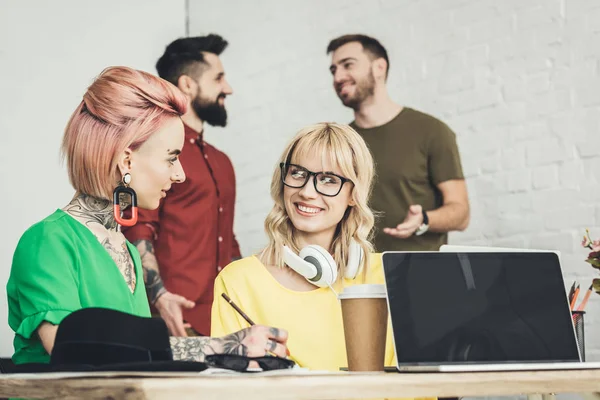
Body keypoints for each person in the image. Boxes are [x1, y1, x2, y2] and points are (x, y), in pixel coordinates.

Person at [6, 66, 287, 365]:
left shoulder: (124, 246)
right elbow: (74, 350)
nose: (180, 174)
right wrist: (219, 346)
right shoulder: (48, 241)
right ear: (127, 159)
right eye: (171, 157)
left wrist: (228, 346)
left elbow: (137, 353)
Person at [210, 122, 397, 372]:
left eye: (329, 180)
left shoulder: (387, 276)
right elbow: (226, 387)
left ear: (354, 194)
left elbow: (417, 389)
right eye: (297, 173)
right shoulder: (238, 282)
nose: (307, 192)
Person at [122, 34, 240, 337]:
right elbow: (137, 227)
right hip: (174, 324)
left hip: (222, 323)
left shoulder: (222, 162)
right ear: (187, 84)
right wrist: (159, 298)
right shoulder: (151, 152)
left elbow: (227, 241)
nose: (228, 88)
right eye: (219, 78)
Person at [327, 34, 470, 252]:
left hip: (420, 275)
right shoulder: (341, 143)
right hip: (357, 277)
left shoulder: (431, 131)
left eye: (348, 65)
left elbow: (461, 213)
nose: (338, 77)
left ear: (379, 67)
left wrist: (424, 219)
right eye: (334, 70)